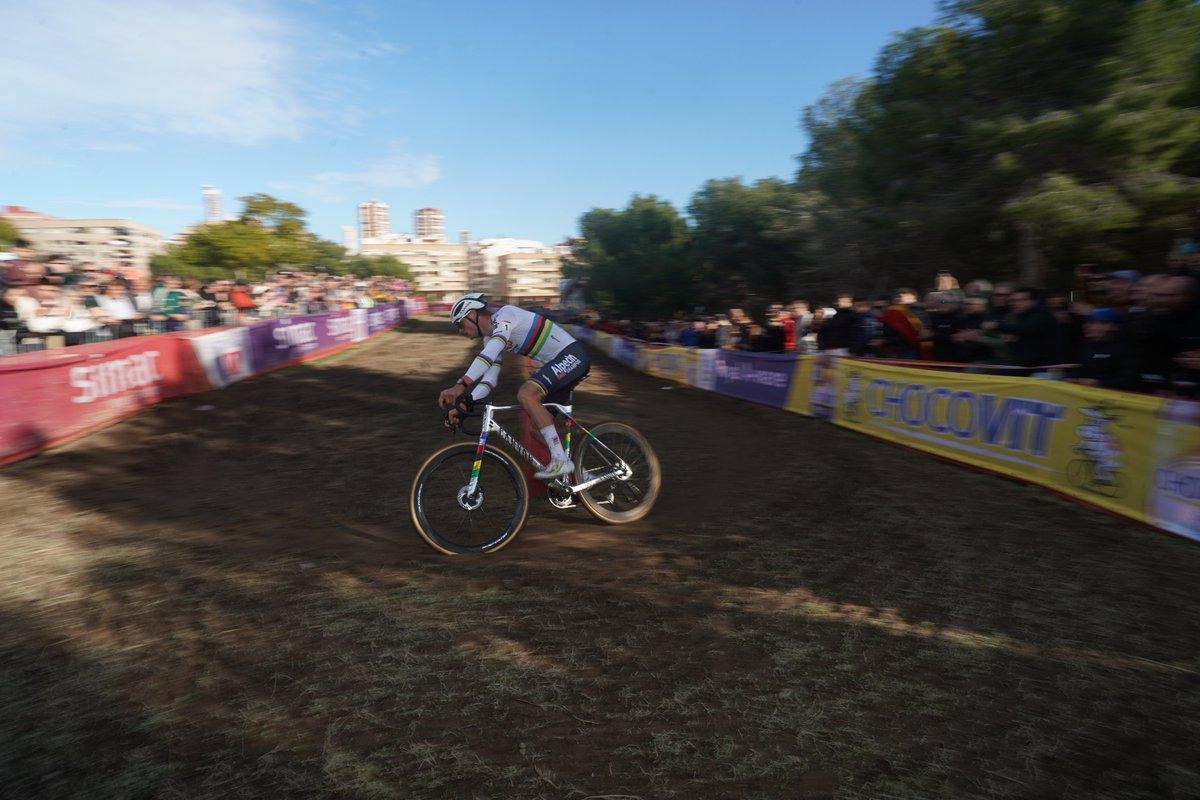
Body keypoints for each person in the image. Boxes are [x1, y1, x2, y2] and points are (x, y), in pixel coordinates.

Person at [438, 293, 590, 481]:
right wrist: (464, 406)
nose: (460, 331)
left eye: (460, 324)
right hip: (559, 362)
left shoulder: (506, 315)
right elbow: (489, 380)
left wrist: (460, 385)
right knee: (536, 426)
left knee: (527, 394)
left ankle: (560, 460)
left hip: (572, 355)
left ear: (472, 314)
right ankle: (581, 475)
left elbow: (493, 349)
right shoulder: (490, 340)